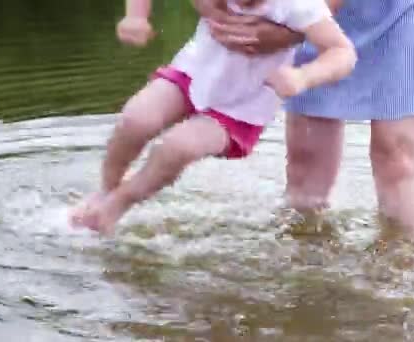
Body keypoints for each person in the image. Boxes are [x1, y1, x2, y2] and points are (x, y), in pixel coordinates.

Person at [69, 0, 357, 235]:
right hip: (193, 73)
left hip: (240, 107)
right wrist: (136, 16)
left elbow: (342, 51)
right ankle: (106, 189)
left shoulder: (298, 5)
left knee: (176, 148)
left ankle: (118, 204)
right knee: (135, 118)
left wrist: (304, 76)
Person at [201, 0, 414, 237]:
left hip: (401, 11)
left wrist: (294, 28)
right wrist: (222, 15)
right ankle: (306, 271)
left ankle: (403, 273)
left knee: (397, 155)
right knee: (306, 158)